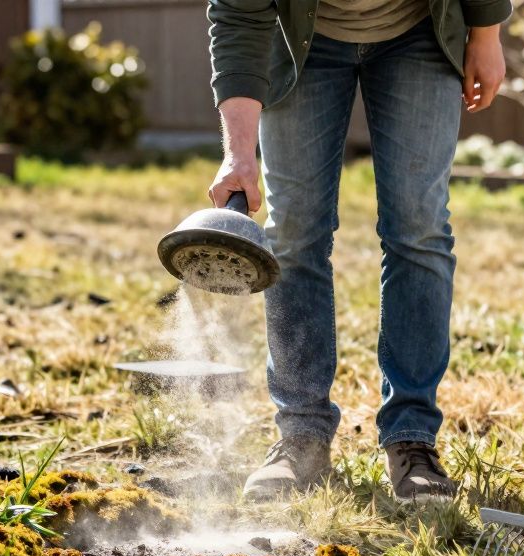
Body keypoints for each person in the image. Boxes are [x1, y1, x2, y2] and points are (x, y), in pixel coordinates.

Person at [205, 0, 508, 501]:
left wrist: (486, 33)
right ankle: (301, 434)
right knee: (295, 232)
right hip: (303, 36)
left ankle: (412, 438)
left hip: (419, 29)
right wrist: (238, 154)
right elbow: (238, 17)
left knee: (419, 226)